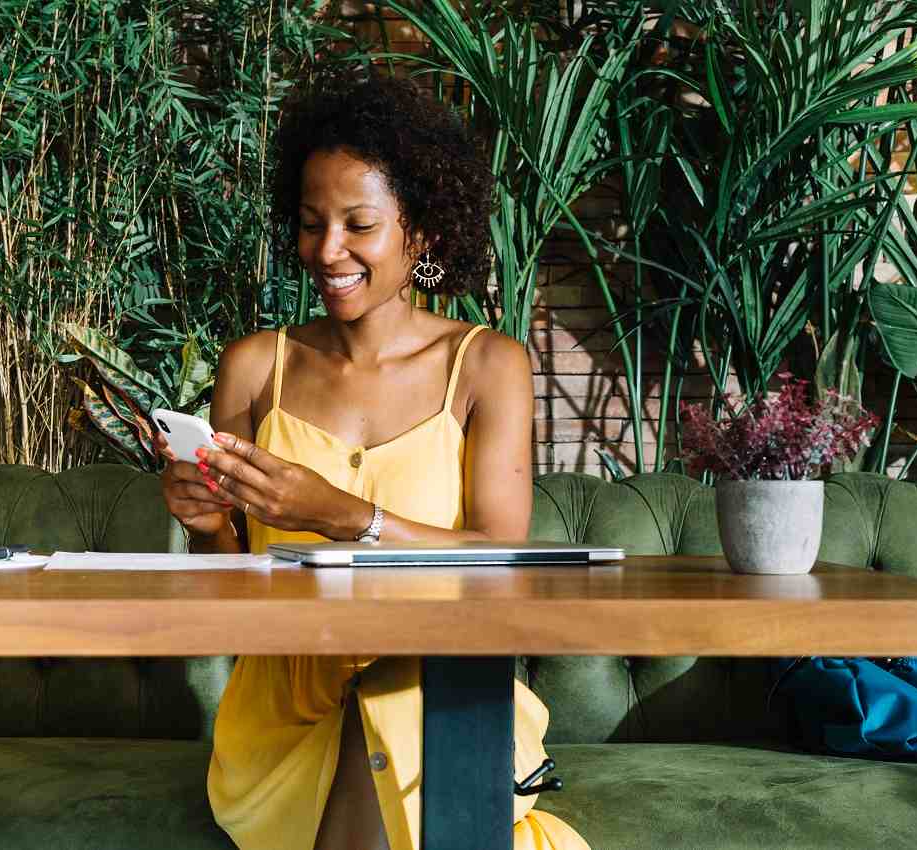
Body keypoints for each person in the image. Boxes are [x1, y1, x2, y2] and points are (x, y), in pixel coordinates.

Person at [156, 69, 588, 850]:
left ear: (419, 233)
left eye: (359, 224)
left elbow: (507, 557)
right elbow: (229, 588)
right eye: (311, 222)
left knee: (396, 692)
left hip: (446, 680)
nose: (329, 251)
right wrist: (209, 522)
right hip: (286, 703)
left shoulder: (487, 365)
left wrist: (345, 517)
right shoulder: (256, 366)